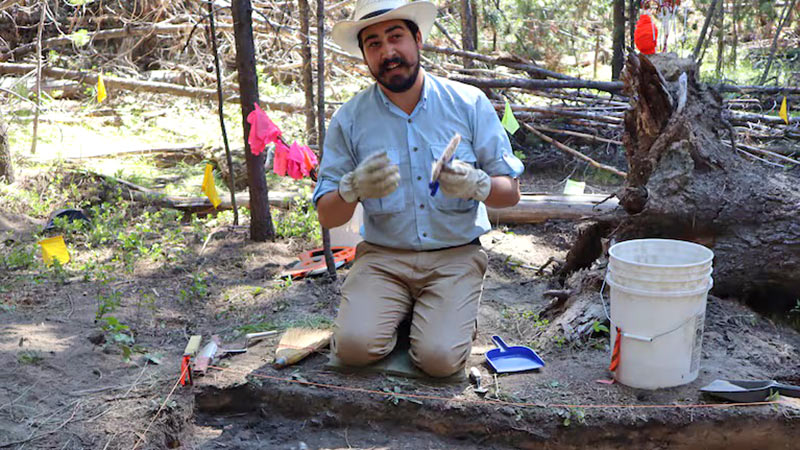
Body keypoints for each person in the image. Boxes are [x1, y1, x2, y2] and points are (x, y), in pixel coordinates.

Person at [312, 0, 524, 377]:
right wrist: (351, 188)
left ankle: (441, 319)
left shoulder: (469, 103)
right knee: (353, 349)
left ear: (418, 39)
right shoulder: (350, 119)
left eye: (396, 37)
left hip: (455, 255)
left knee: (439, 361)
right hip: (382, 258)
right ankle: (406, 311)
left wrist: (477, 184)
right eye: (374, 44)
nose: (388, 52)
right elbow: (328, 214)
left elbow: (510, 193)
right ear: (364, 55)